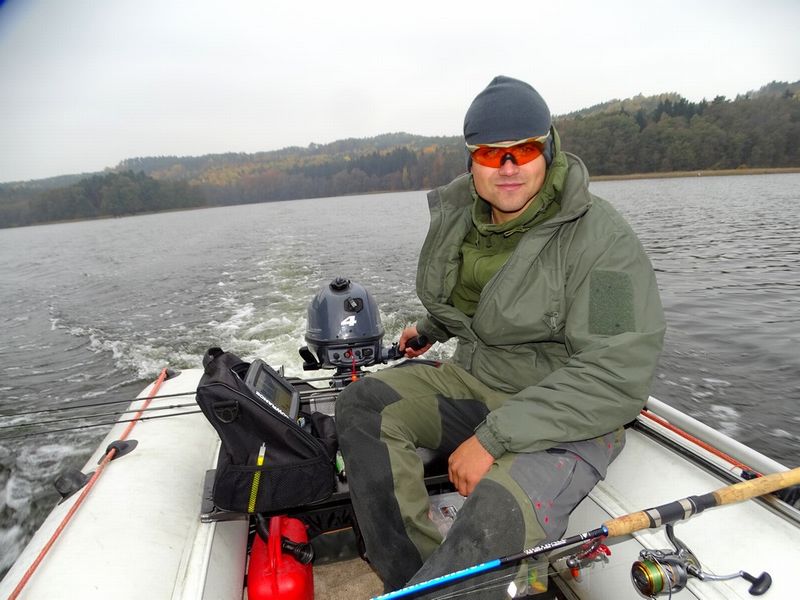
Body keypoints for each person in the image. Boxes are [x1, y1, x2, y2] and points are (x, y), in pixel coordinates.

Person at [335, 75, 666, 598]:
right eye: (491, 154)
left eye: (524, 150)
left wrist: (492, 439)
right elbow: (486, 300)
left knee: (495, 512)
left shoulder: (602, 241)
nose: (508, 167)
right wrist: (430, 328)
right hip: (480, 382)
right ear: (472, 161)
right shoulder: (468, 221)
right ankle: (413, 581)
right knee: (363, 405)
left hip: (569, 410)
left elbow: (615, 372)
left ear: (548, 149)